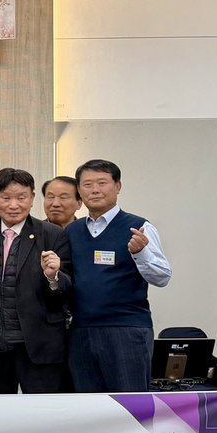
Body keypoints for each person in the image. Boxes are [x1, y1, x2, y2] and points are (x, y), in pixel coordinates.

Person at [67, 159, 171, 393]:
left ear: (118, 186)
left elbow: (162, 277)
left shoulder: (139, 227)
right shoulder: (72, 231)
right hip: (81, 331)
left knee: (130, 404)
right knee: (87, 405)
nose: (95, 190)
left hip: (126, 329)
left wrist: (140, 252)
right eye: (87, 184)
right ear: (79, 190)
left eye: (102, 183)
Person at [0, 168, 74, 395]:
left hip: (39, 344)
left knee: (43, 411)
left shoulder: (52, 234)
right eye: (6, 198)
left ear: (32, 198)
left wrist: (52, 276)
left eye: (21, 198)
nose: (14, 205)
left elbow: (67, 288)